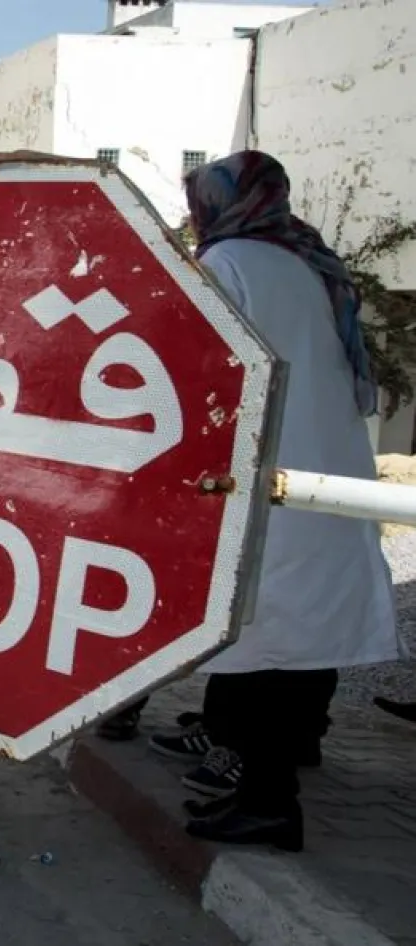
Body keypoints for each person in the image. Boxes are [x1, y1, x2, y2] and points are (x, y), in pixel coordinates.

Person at [159, 151, 404, 850]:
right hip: (329, 471)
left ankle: (268, 801)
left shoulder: (230, 262)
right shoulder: (309, 259)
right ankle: (292, 753)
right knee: (305, 631)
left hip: (269, 473)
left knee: (262, 637)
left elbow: (197, 366)